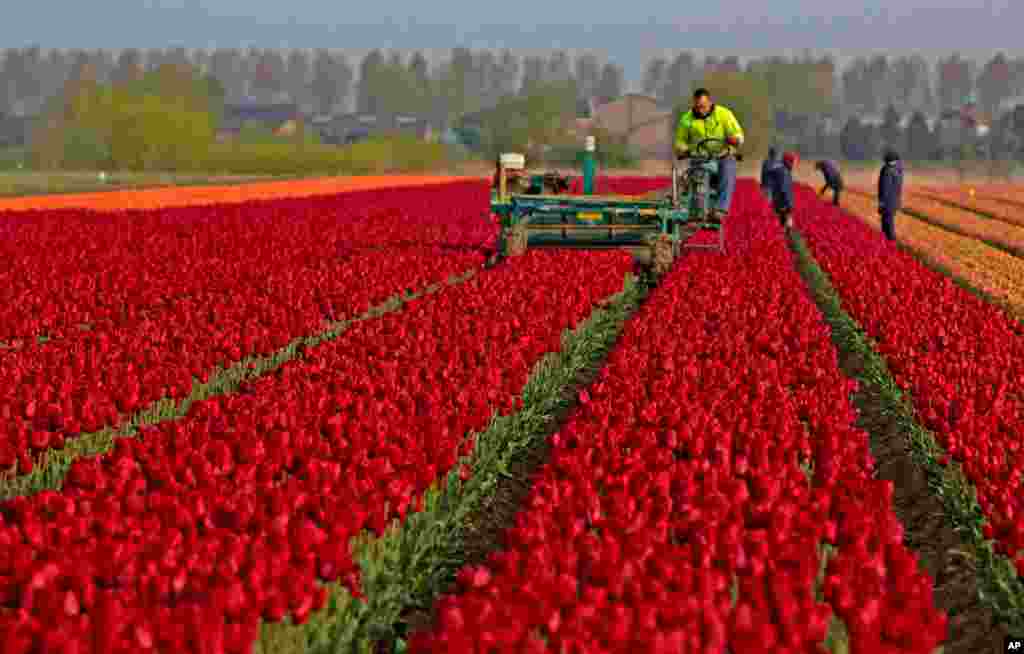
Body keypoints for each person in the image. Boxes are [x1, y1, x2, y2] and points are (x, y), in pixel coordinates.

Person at [674, 88, 744, 223]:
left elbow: (739, 136)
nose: (701, 110)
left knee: (729, 168)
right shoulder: (686, 119)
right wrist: (685, 150)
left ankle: (720, 210)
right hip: (700, 157)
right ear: (694, 104)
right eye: (698, 106)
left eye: (704, 106)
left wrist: (734, 139)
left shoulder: (724, 114)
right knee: (696, 173)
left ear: (710, 102)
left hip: (722, 156)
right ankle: (699, 210)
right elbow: (679, 142)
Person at [878, 149, 903, 241]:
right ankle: (889, 241)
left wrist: (882, 202)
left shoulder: (888, 170)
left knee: (887, 224)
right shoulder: (898, 169)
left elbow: (885, 187)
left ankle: (890, 243)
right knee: (889, 222)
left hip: (888, 201)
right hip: (895, 200)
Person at [770, 151, 798, 229]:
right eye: (793, 162)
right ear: (788, 162)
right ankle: (785, 236)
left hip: (779, 202)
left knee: (782, 223)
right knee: (785, 224)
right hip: (783, 203)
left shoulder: (781, 170)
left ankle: (783, 234)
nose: (794, 165)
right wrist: (789, 204)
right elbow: (784, 189)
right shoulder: (784, 172)